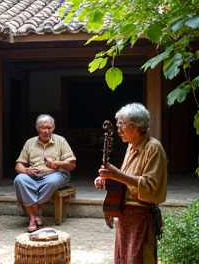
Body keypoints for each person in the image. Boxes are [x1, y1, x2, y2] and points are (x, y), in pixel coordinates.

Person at [94, 103, 168, 264]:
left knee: (139, 258)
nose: (118, 129)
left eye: (121, 124)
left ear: (135, 127)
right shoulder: (131, 146)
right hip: (125, 216)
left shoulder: (153, 148)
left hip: (141, 216)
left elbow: (149, 186)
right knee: (124, 259)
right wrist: (108, 180)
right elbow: (125, 180)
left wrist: (117, 174)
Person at [14, 114, 76, 232]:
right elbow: (18, 165)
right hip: (33, 176)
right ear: (37, 128)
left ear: (54, 127)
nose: (47, 131)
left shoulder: (61, 141)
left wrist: (57, 163)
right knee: (20, 179)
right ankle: (35, 216)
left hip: (55, 174)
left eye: (50, 128)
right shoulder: (30, 143)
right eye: (43, 128)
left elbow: (72, 165)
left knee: (53, 181)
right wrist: (26, 170)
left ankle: (32, 213)